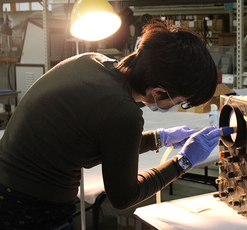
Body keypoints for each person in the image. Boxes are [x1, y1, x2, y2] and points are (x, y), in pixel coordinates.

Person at [0, 21, 221, 229]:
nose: (177, 106)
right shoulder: (123, 111)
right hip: (28, 207)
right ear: (159, 91)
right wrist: (184, 161)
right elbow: (124, 196)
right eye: (180, 102)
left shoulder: (91, 61)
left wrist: (159, 138)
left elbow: (103, 142)